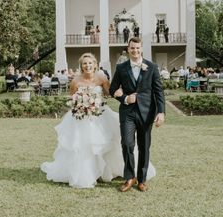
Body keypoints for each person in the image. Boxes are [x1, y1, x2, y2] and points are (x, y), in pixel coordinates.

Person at [41, 53, 155, 188]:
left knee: (105, 142)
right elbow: (72, 97)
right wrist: (80, 104)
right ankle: (88, 173)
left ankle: (109, 172)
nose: (88, 65)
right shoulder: (75, 81)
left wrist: (120, 92)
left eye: (90, 63)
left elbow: (109, 92)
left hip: (100, 114)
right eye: (85, 63)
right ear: (81, 66)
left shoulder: (101, 78)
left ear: (95, 65)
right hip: (82, 118)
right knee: (84, 146)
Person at [110, 37, 165, 192]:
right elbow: (112, 89)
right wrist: (125, 98)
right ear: (128, 49)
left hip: (147, 112)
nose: (135, 51)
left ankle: (141, 179)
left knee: (144, 146)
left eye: (137, 48)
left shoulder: (152, 67)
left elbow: (158, 91)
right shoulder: (121, 68)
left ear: (141, 49)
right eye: (132, 48)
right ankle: (129, 177)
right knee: (127, 144)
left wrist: (161, 112)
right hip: (127, 113)